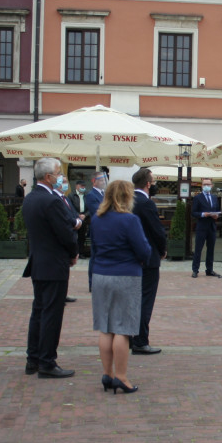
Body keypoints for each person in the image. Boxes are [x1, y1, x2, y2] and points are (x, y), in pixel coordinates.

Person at [90, 179, 151, 393]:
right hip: (126, 275)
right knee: (123, 329)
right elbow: (143, 250)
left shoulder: (96, 219)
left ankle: (107, 374)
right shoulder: (130, 220)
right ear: (127, 196)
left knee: (106, 328)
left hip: (100, 274)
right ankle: (121, 377)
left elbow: (94, 248)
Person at [20, 157, 79, 378]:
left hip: (39, 263)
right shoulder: (51, 201)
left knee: (39, 312)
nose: (60, 177)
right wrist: (73, 252)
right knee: (51, 314)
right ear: (48, 177)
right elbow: (65, 232)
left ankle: (33, 359)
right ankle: (46, 362)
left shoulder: (31, 198)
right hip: (54, 263)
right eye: (58, 173)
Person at [131, 168, 167, 355]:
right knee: (145, 300)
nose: (154, 185)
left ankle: (130, 337)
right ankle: (140, 340)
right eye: (152, 181)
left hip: (131, 258)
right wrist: (163, 250)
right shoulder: (146, 203)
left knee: (134, 299)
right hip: (148, 258)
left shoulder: (127, 201)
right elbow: (157, 231)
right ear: (147, 184)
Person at [54, 175, 84, 304]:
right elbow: (64, 217)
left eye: (67, 182)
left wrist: (77, 219)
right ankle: (59, 296)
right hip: (63, 238)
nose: (66, 184)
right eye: (64, 182)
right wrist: (75, 222)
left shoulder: (65, 198)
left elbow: (72, 213)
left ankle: (63, 294)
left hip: (72, 232)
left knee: (65, 270)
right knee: (59, 270)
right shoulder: (55, 198)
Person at [191, 177, 220, 277]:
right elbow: (194, 212)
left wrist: (216, 215)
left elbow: (217, 210)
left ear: (212, 186)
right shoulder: (197, 198)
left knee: (211, 249)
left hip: (212, 226)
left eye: (208, 184)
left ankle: (209, 269)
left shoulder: (214, 197)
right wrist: (203, 214)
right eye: (204, 184)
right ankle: (195, 270)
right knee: (198, 249)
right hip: (202, 226)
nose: (207, 186)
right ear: (202, 186)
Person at [84, 171, 107, 286]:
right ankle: (92, 282)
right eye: (101, 180)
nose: (103, 182)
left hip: (106, 229)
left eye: (104, 180)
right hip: (97, 229)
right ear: (94, 181)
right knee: (95, 256)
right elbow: (98, 211)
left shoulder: (104, 194)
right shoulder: (91, 195)